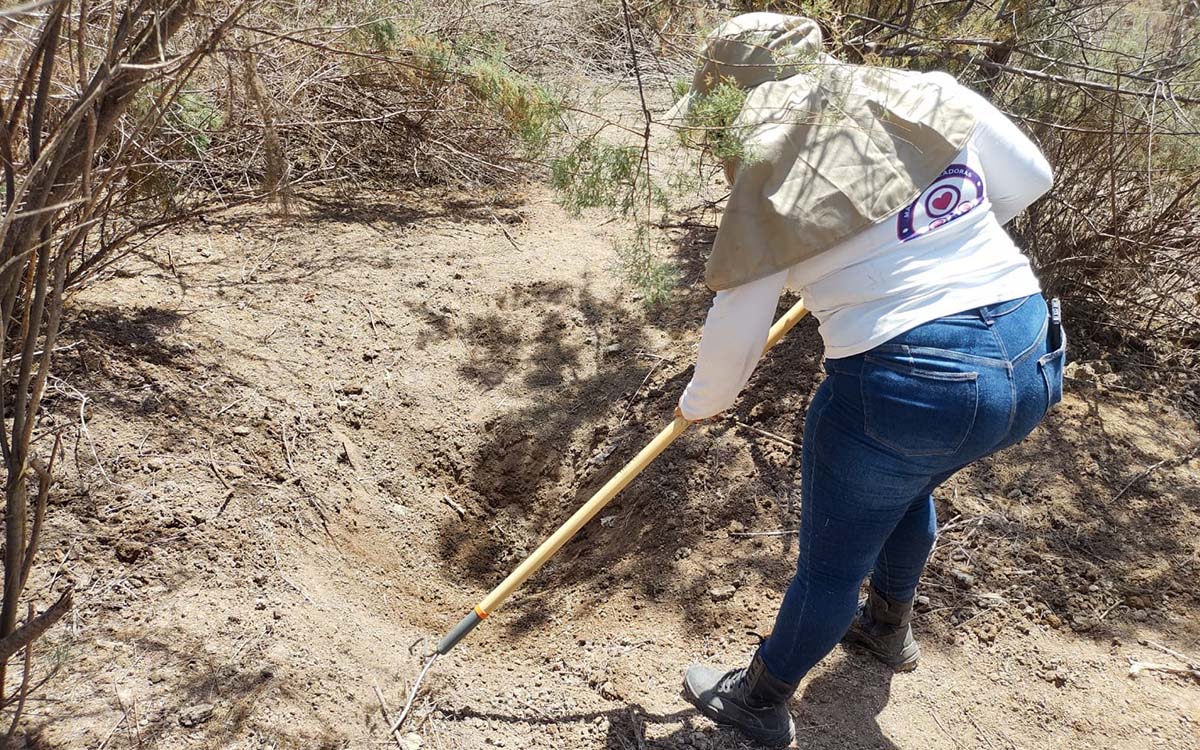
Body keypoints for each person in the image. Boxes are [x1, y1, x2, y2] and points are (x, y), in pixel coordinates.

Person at [667, 13, 1065, 748]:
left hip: (912, 381)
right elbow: (1030, 179)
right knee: (908, 482)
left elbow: (735, 329)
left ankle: (759, 697)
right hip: (1028, 348)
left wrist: (701, 404)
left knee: (830, 561)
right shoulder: (925, 93)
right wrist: (939, 239)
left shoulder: (767, 170)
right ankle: (887, 628)